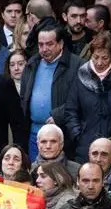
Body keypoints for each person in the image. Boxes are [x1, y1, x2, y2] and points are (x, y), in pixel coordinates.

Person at [20, 22, 83, 161]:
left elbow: (82, 98)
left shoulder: (76, 65)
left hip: (62, 135)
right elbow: (24, 97)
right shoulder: (32, 64)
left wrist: (59, 115)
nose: (44, 49)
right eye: (41, 44)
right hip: (34, 134)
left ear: (60, 44)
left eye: (49, 44)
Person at [65, 31, 111, 163]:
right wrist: (78, 135)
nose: (99, 62)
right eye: (96, 57)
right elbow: (71, 110)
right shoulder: (81, 76)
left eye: (104, 58)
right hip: (85, 146)